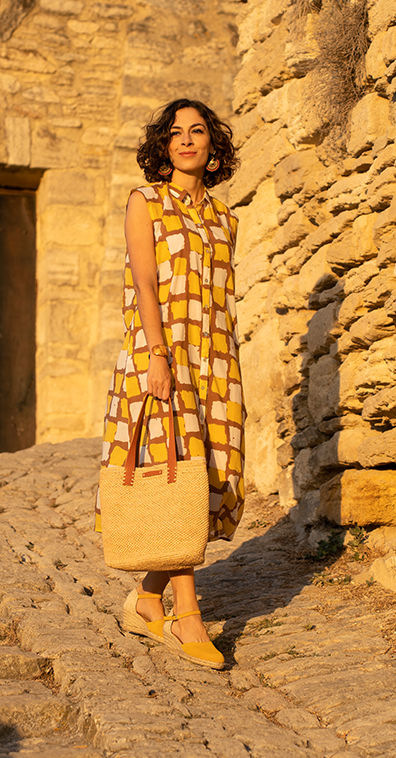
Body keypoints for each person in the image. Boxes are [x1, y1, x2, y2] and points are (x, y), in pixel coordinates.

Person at [95, 98, 245, 669]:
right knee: (173, 467)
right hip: (159, 355)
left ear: (212, 147)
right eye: (176, 132)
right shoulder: (146, 202)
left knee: (204, 482)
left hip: (215, 361)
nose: (186, 140)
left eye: (198, 131)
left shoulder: (225, 218)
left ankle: (147, 600)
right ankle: (188, 618)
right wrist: (158, 355)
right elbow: (145, 284)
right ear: (163, 146)